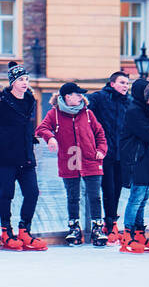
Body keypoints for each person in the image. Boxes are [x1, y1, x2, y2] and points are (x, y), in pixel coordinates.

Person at [0, 61, 46, 250]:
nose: (25, 82)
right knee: (7, 194)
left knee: (32, 193)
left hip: (26, 155)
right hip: (6, 155)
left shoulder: (30, 99)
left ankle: (25, 230)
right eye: (21, 79)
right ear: (12, 81)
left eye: (27, 79)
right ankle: (6, 232)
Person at [35, 81, 108, 246]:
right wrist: (51, 138)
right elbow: (41, 128)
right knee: (73, 197)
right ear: (67, 97)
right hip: (70, 159)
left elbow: (100, 134)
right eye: (77, 94)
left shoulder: (88, 114)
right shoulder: (55, 114)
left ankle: (97, 228)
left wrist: (101, 150)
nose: (81, 96)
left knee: (95, 196)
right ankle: (74, 228)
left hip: (91, 159)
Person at [118, 77, 149, 252]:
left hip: (144, 157)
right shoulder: (135, 110)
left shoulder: (146, 110)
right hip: (136, 158)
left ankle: (139, 233)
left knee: (143, 197)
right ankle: (128, 235)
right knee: (136, 197)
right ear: (142, 93)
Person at [87, 71, 131, 242]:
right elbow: (86, 114)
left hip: (121, 153)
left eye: (127, 83)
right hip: (103, 152)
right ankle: (109, 223)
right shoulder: (99, 97)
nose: (125, 86)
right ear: (112, 84)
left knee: (118, 188)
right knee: (108, 188)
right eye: (122, 83)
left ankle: (111, 222)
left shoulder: (128, 102)